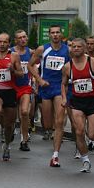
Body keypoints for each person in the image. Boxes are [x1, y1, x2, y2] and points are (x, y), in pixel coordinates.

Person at [61, 38, 94, 173]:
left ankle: (91, 141)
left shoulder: (93, 62)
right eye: (73, 47)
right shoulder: (67, 66)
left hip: (93, 101)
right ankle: (85, 159)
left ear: (84, 49)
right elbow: (64, 84)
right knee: (79, 131)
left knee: (93, 135)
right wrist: (64, 98)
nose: (75, 49)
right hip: (77, 102)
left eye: (78, 47)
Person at [28, 24, 70, 167]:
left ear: (61, 34)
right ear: (49, 35)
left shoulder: (67, 50)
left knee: (59, 120)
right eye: (53, 33)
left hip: (60, 87)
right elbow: (29, 65)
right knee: (47, 124)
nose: (55, 35)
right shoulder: (42, 49)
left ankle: (56, 152)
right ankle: (51, 130)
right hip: (46, 87)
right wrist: (39, 80)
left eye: (58, 32)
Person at [0, 33, 24, 161]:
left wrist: (13, 71)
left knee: (9, 125)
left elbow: (21, 73)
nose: (2, 44)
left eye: (5, 42)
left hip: (10, 91)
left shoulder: (14, 56)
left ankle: (7, 146)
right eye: (0, 41)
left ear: (9, 44)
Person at [12, 30, 34, 152]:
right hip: (11, 86)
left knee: (24, 112)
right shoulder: (11, 52)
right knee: (10, 116)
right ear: (16, 40)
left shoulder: (31, 52)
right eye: (19, 37)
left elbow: (35, 67)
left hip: (25, 86)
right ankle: (6, 131)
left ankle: (24, 140)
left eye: (24, 37)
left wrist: (36, 81)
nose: (22, 39)